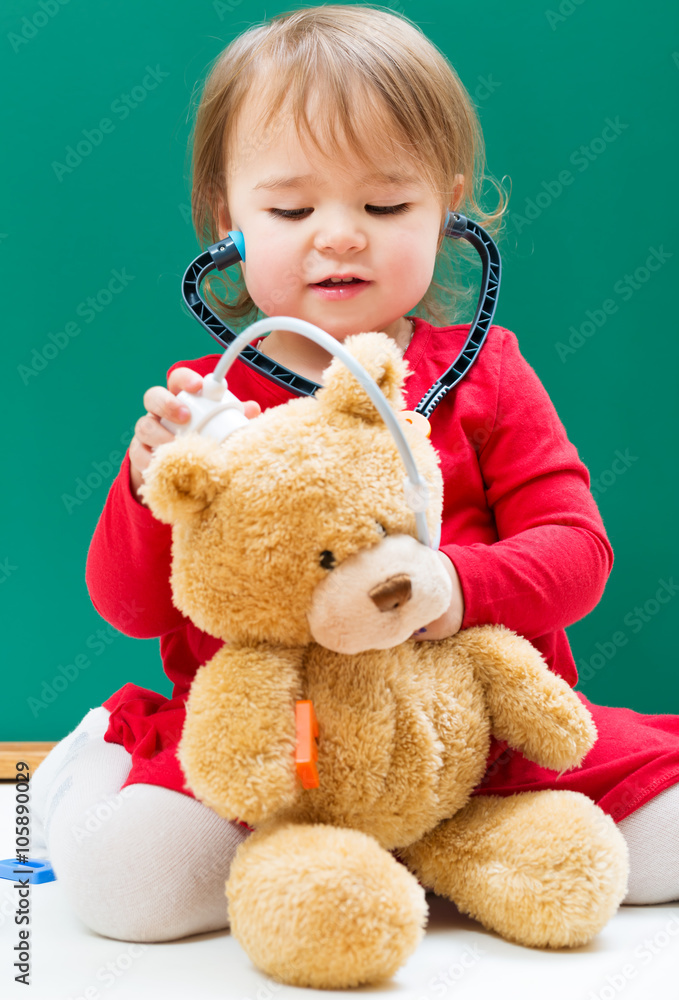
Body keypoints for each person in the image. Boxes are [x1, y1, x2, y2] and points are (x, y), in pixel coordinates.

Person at [31, 4, 679, 944]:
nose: (339, 237)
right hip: (278, 752)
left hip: (476, 737)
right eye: (291, 210)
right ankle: (86, 773)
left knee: (662, 853)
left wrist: (448, 585)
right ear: (229, 220)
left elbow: (577, 555)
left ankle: (434, 840)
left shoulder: (487, 370)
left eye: (384, 206)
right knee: (130, 891)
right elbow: (131, 608)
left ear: (446, 208)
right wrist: (147, 488)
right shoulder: (208, 405)